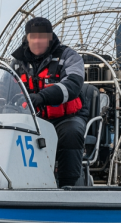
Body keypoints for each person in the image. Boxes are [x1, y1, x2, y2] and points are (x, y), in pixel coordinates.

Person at [7, 17, 87, 187]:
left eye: (42, 37)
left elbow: (73, 84)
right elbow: (2, 89)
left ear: (50, 37)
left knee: (72, 132)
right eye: (33, 37)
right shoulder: (16, 63)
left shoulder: (69, 57)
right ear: (27, 38)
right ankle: (15, 182)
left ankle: (68, 186)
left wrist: (42, 97)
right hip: (30, 120)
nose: (37, 41)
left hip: (65, 119)